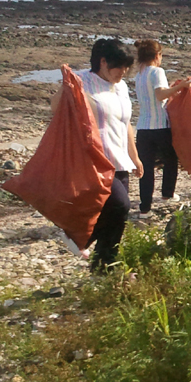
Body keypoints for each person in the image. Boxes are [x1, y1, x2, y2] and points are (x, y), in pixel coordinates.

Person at [51, 38, 143, 270]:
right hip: (95, 159)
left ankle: (104, 266)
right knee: (120, 205)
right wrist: (66, 85)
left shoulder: (120, 86)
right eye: (119, 66)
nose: (123, 72)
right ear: (103, 62)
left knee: (116, 216)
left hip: (119, 157)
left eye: (127, 67)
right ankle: (78, 237)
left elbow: (126, 123)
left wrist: (135, 156)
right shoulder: (82, 81)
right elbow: (56, 108)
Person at [133, 39, 189, 216]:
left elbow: (157, 93)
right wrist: (180, 87)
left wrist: (172, 89)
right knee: (171, 159)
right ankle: (167, 194)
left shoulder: (139, 74)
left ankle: (145, 208)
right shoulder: (157, 71)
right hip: (159, 125)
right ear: (157, 56)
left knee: (146, 168)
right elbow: (159, 95)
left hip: (143, 127)